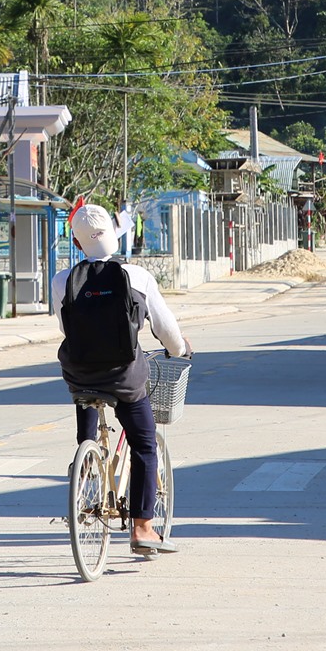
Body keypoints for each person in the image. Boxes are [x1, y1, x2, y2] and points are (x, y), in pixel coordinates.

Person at [51, 203, 191, 556]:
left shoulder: (61, 280)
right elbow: (166, 330)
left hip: (79, 372)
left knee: (86, 396)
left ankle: (84, 462)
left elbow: (65, 327)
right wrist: (180, 350)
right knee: (144, 443)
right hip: (123, 376)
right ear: (114, 236)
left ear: (80, 243)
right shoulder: (138, 276)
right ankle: (143, 528)